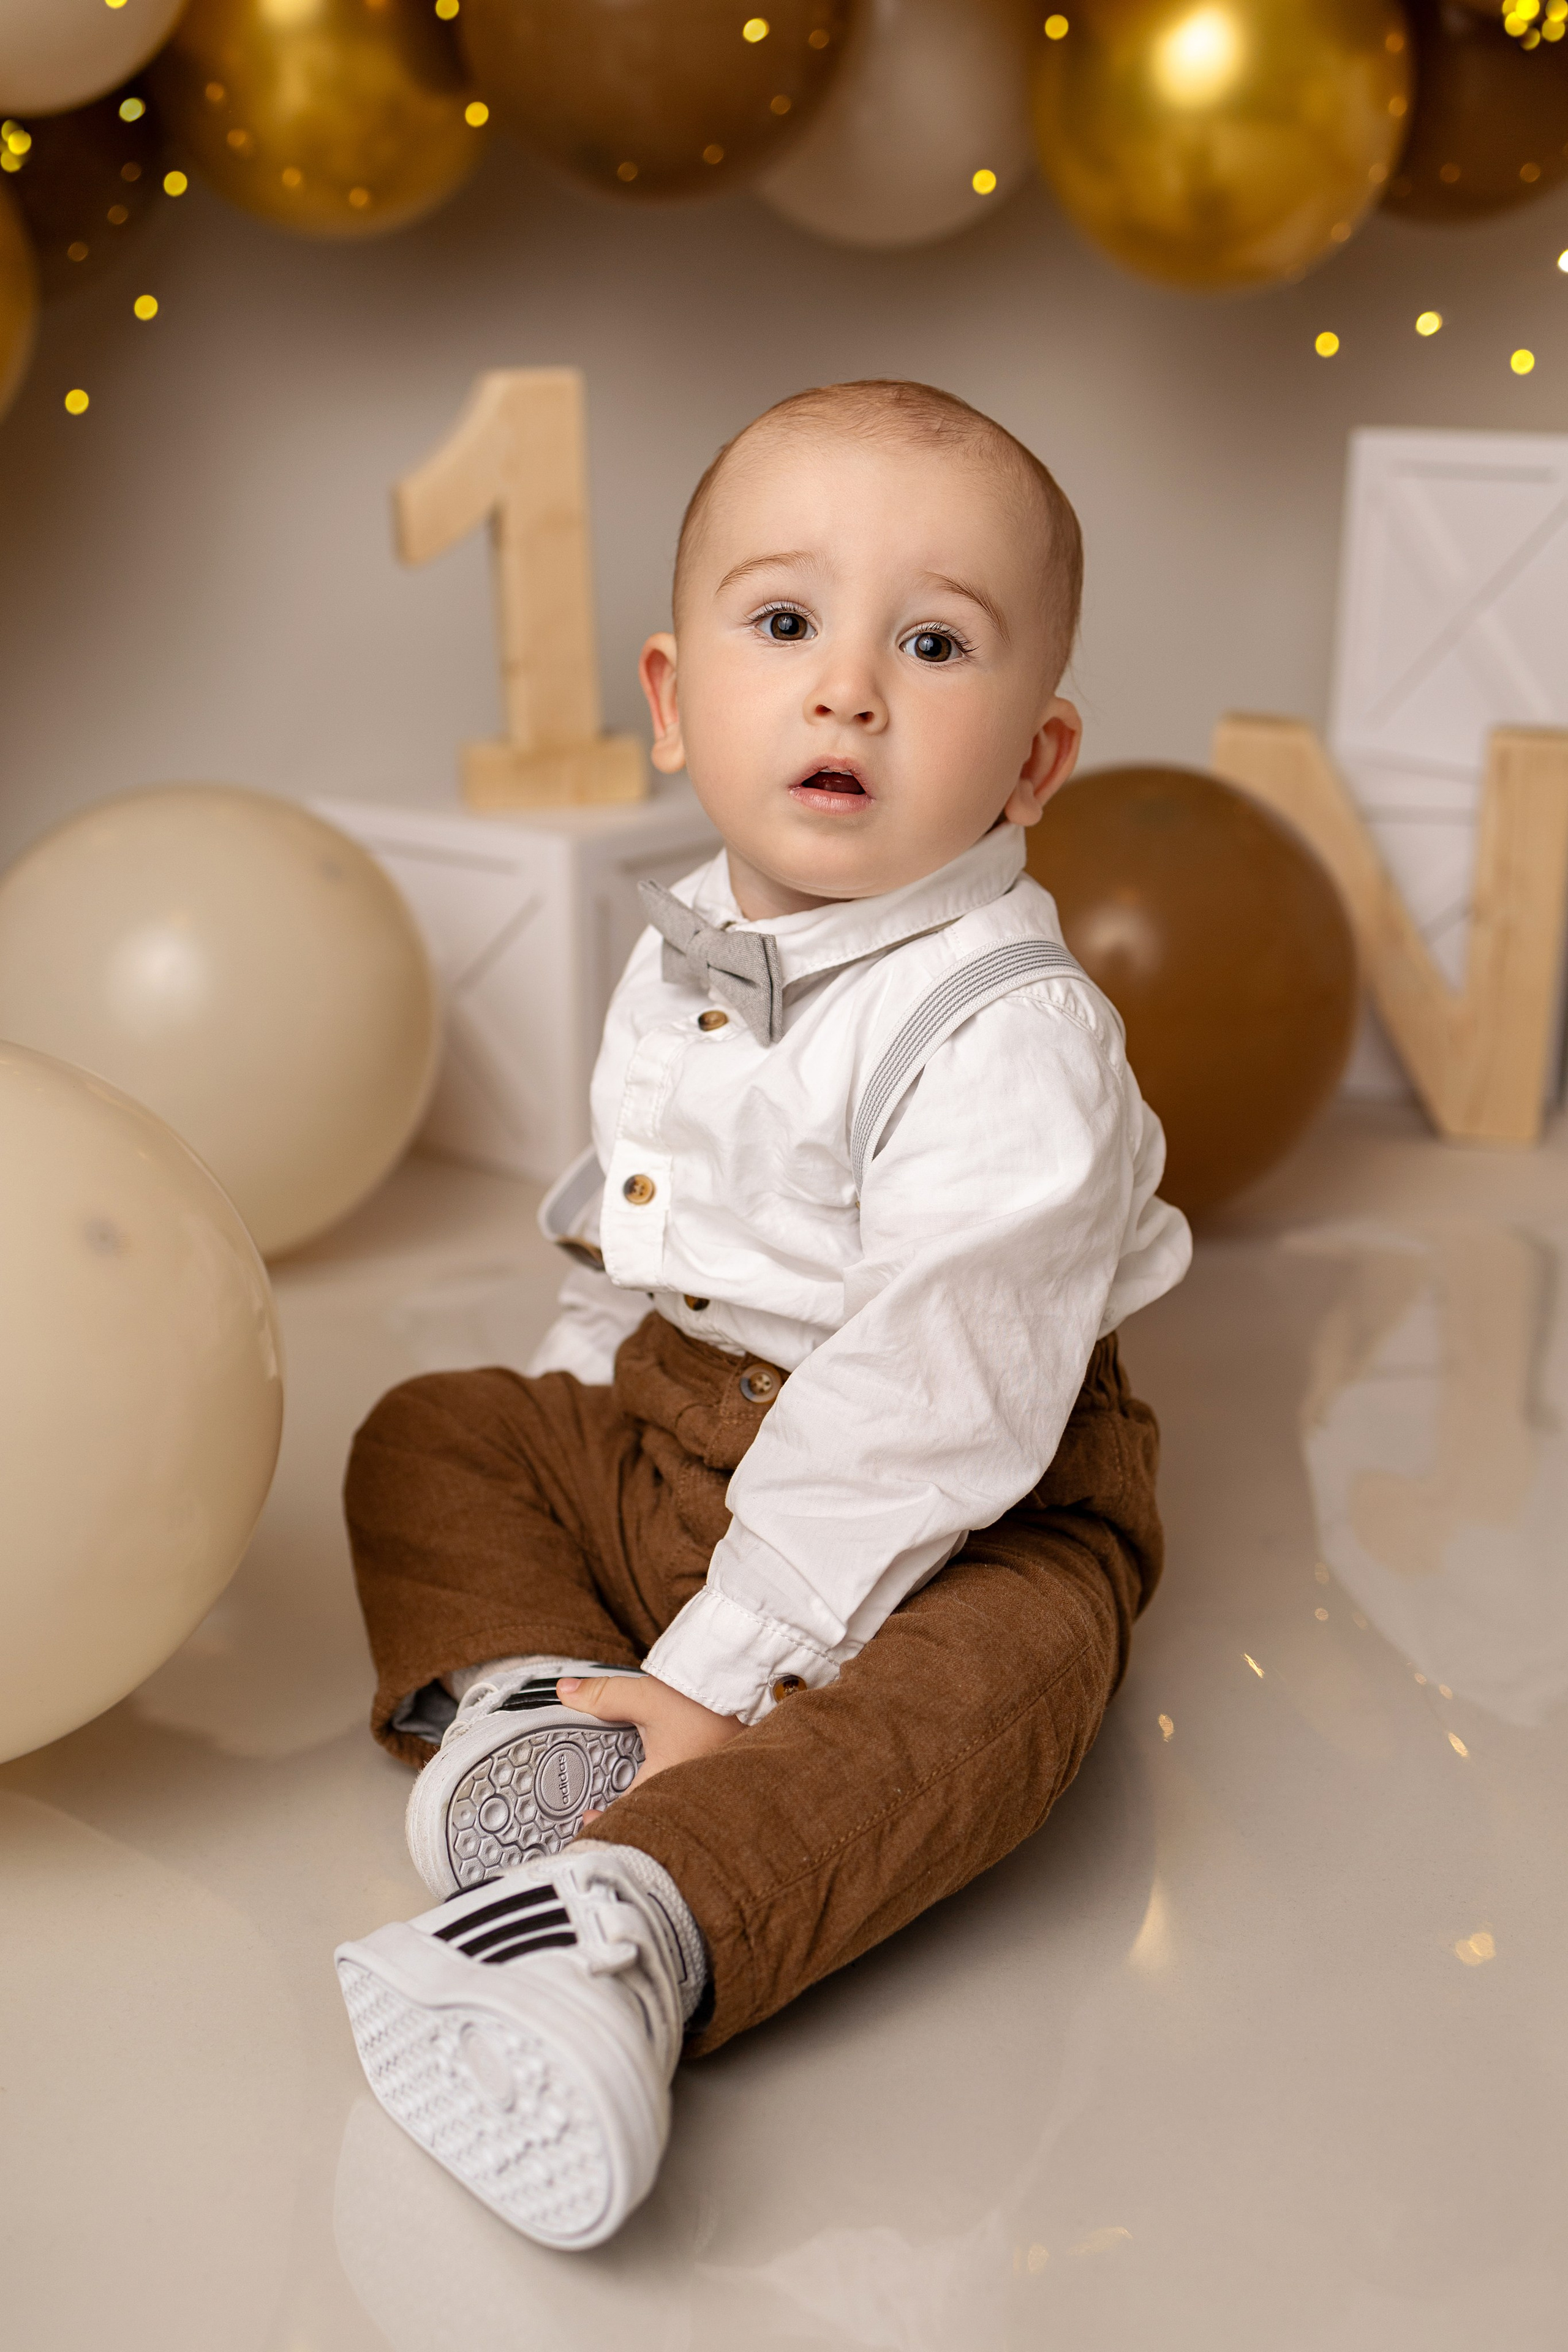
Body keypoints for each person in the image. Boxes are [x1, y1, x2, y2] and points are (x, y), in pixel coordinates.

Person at [334, 379, 1191, 2251]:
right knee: (433, 1432)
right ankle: (529, 1718)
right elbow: (637, 1227)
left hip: (957, 1505)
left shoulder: (1007, 1037)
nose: (848, 689)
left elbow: (931, 1407)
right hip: (683, 1422)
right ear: (671, 697)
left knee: (997, 1696)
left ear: (1036, 764)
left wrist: (726, 1672)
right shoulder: (692, 948)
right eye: (786, 622)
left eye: (934, 641)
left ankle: (630, 1930)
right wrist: (582, 1415)